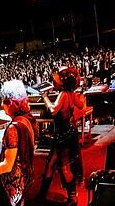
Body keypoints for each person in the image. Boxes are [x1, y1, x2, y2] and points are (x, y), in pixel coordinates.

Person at [37, 66, 86, 205]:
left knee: (64, 167)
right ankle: (42, 195)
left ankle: (72, 198)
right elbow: (81, 105)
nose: (54, 82)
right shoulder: (71, 94)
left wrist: (44, 97)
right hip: (67, 133)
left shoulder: (63, 94)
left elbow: (53, 110)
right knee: (51, 163)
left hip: (62, 136)